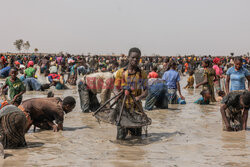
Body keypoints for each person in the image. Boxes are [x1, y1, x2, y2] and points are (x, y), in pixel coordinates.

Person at [114, 47, 148, 140]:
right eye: (133, 57)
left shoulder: (142, 74)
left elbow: (146, 91)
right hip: (123, 109)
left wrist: (139, 97)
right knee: (120, 139)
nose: (135, 60)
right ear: (128, 57)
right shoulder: (120, 72)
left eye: (137, 58)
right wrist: (117, 95)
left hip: (136, 109)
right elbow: (115, 88)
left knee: (137, 138)